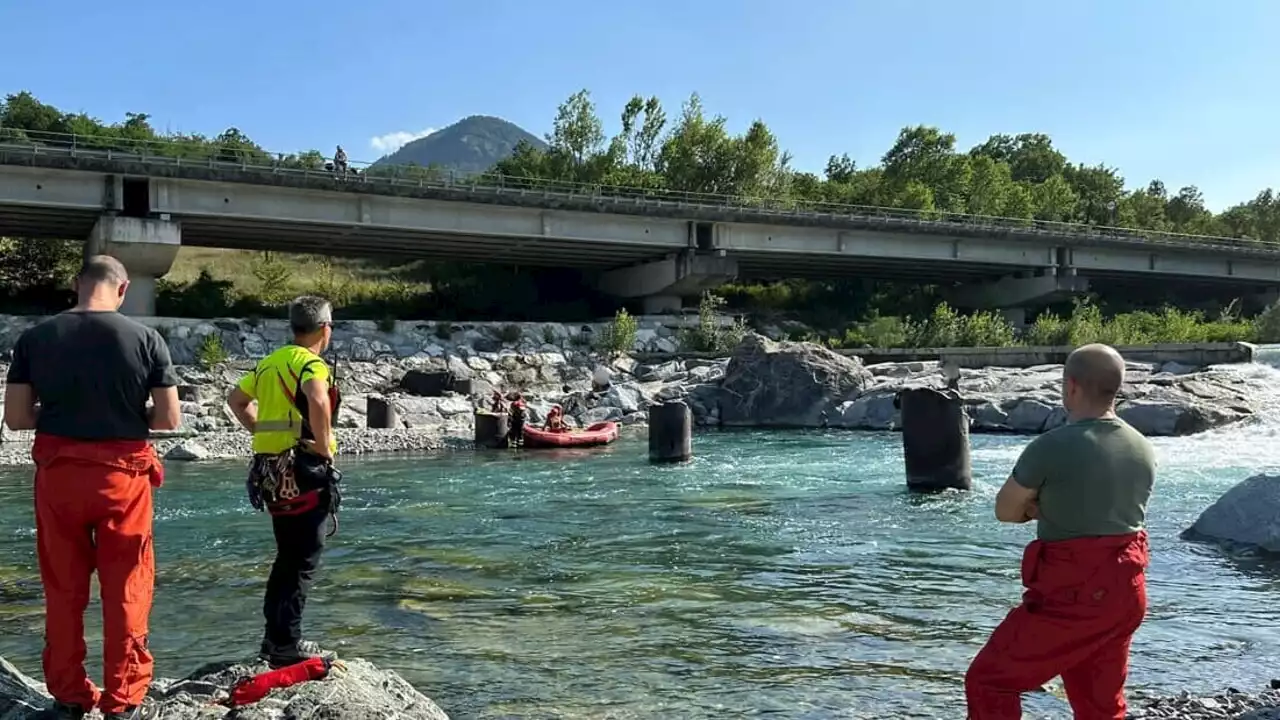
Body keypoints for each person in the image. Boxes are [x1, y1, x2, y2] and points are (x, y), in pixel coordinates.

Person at [3, 255, 181, 720]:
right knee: (126, 588)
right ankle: (122, 699)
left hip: (60, 476)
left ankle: (69, 694)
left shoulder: (35, 338)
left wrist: (61, 417)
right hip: (122, 478)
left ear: (77, 285)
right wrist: (123, 417)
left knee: (63, 588)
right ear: (122, 290)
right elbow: (168, 419)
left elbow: (17, 418)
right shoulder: (145, 339)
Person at [965, 343, 1156, 719]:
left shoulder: (1051, 447)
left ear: (1070, 386)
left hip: (1074, 595)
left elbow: (1005, 510)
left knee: (989, 680)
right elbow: (1103, 512)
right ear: (1115, 387)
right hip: (1127, 592)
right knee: (1099, 704)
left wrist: (1035, 509)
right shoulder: (1142, 446)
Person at [226, 296, 343, 669]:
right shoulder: (311, 364)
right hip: (304, 473)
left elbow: (236, 399)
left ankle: (273, 639)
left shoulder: (269, 363)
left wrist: (262, 430)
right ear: (325, 329)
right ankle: (287, 645)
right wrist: (323, 447)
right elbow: (317, 399)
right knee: (302, 562)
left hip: (272, 475)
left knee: (286, 559)